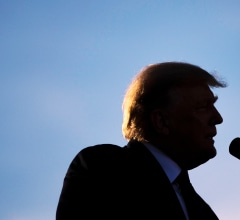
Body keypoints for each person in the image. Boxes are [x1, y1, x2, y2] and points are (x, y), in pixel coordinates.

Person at [56, 61, 227, 219]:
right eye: (203, 107)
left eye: (214, 105)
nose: (218, 118)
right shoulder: (104, 169)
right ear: (161, 121)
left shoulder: (203, 212)